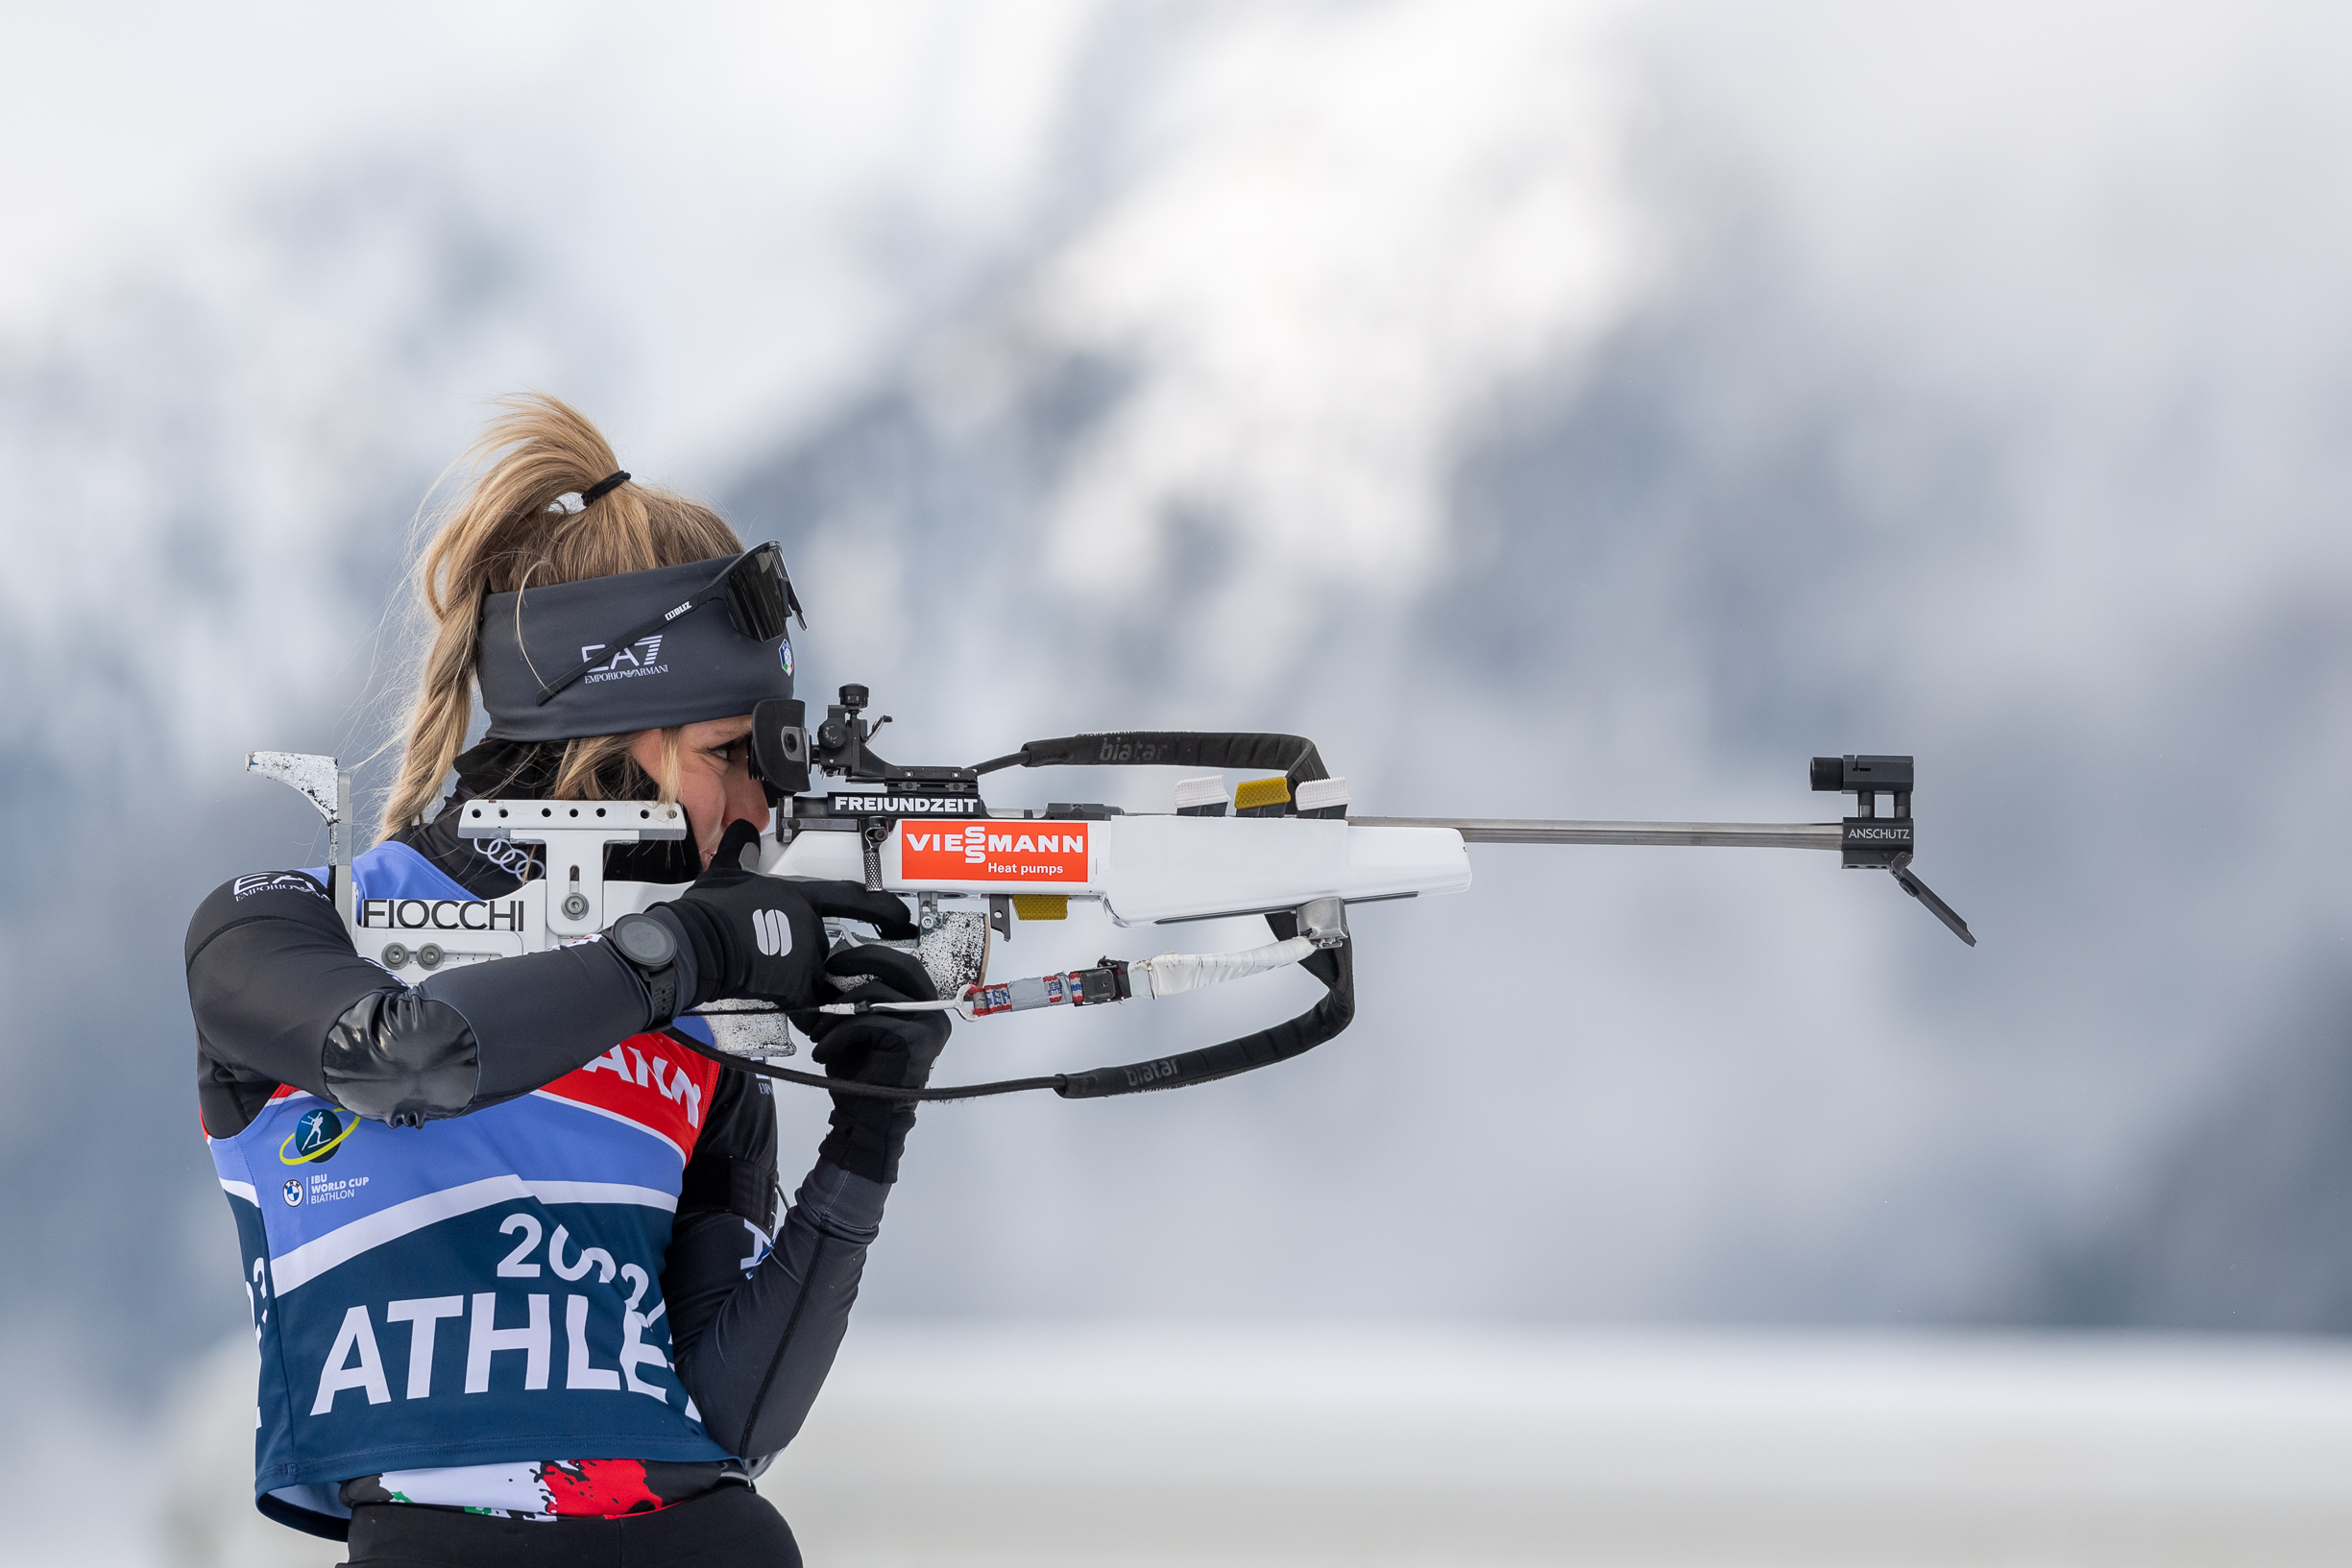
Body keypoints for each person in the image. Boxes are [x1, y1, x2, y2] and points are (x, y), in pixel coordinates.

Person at [182, 394, 949, 1564]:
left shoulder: (696, 1021)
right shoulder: (282, 925)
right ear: (611, 737)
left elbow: (726, 1419)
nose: (756, 808)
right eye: (727, 754)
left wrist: (866, 1143)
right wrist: (685, 954)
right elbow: (412, 1056)